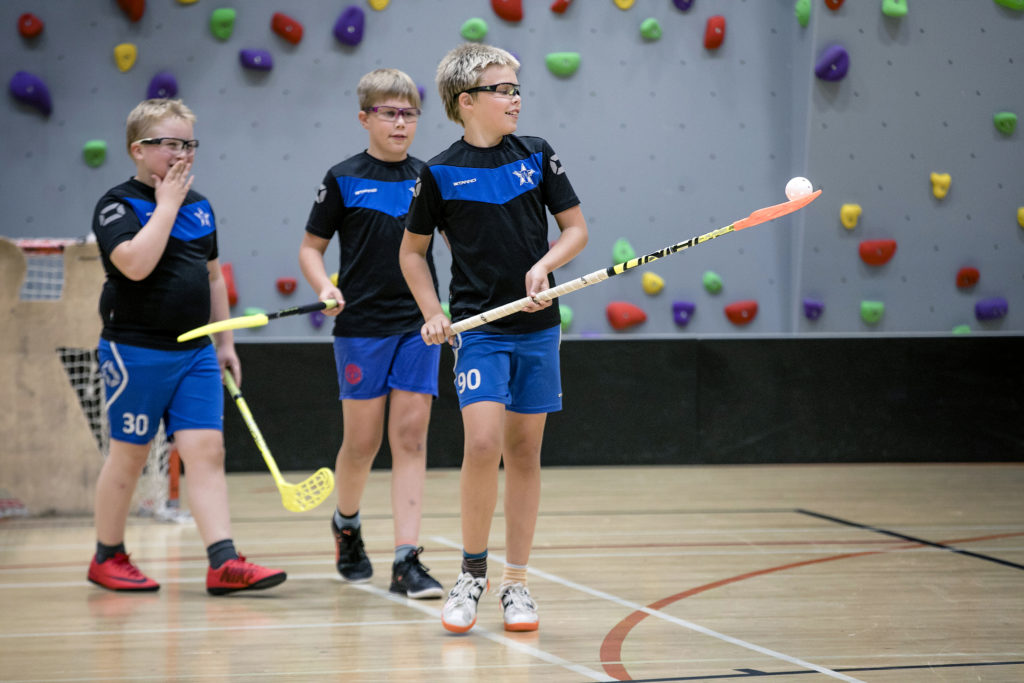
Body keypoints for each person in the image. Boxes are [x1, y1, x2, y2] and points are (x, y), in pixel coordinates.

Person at [399, 44, 589, 632]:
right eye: (502, 89)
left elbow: (576, 230)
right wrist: (433, 311)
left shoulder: (537, 155)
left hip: (537, 327)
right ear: (467, 102)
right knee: (483, 443)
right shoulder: (439, 171)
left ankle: (517, 584)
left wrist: (545, 268)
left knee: (525, 452)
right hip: (480, 331)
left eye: (516, 87)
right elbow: (412, 252)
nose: (515, 97)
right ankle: (471, 573)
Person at [89, 98, 286, 595]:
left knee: (207, 451)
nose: (183, 155)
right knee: (130, 455)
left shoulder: (201, 206)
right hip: (135, 353)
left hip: (196, 353)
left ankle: (222, 560)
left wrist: (226, 342)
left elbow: (213, 277)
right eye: (171, 145)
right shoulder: (117, 204)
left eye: (189, 145)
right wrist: (167, 205)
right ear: (138, 149)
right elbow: (134, 264)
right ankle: (107, 555)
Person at [299, 69, 444, 599]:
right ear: (365, 118)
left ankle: (407, 560)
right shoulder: (342, 178)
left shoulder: (430, 177)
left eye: (409, 113)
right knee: (361, 444)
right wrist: (324, 287)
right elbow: (311, 249)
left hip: (418, 326)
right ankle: (347, 524)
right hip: (360, 327)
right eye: (389, 112)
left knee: (409, 438)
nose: (401, 122)